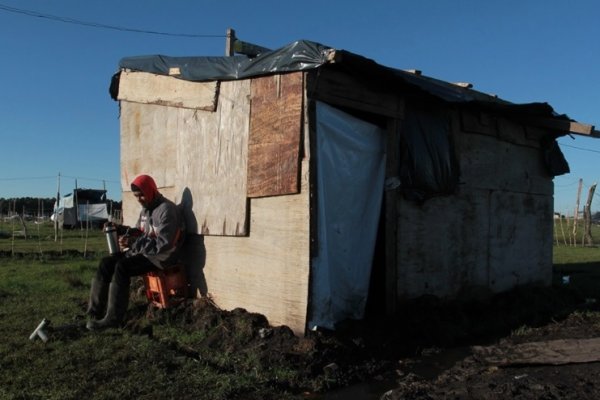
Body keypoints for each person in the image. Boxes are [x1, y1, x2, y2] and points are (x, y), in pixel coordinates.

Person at [86, 174, 185, 331]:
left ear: (151, 190)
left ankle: (113, 318)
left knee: (122, 267)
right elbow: (139, 232)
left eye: (141, 195)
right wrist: (120, 229)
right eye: (136, 196)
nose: (139, 199)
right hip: (145, 252)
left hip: (162, 257)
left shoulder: (167, 210)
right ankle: (93, 312)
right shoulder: (145, 210)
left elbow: (165, 244)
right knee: (106, 263)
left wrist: (133, 243)